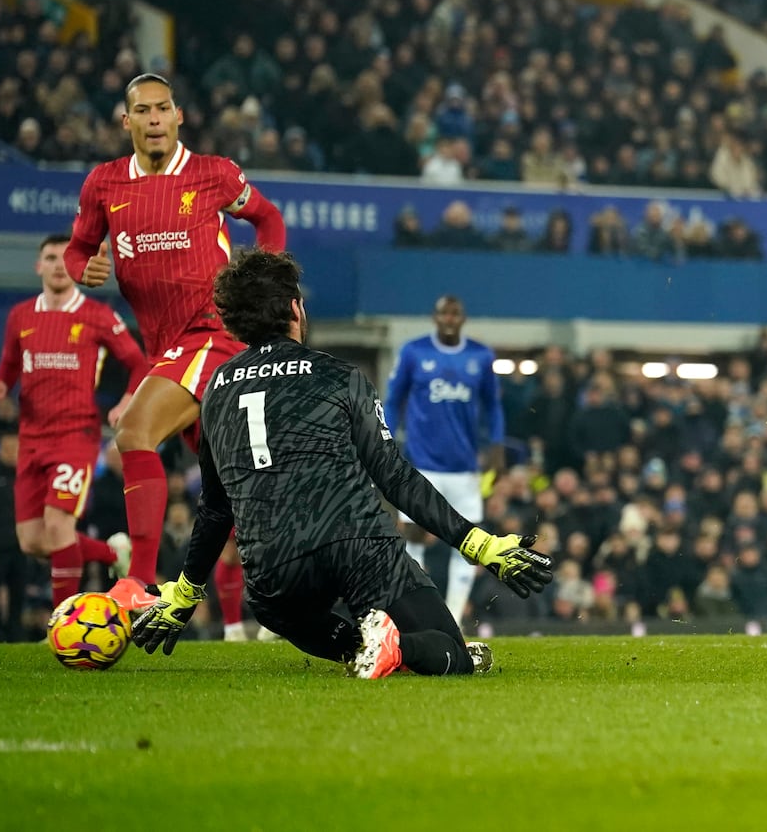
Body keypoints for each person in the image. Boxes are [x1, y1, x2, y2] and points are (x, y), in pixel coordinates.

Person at [131, 249, 552, 677]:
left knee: (357, 647)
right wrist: (481, 544)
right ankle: (404, 649)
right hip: (355, 545)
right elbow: (394, 476)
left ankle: (380, 650)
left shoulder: (217, 389)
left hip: (274, 579)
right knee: (453, 654)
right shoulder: (338, 376)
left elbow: (216, 506)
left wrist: (185, 592)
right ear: (295, 308)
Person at [64, 73, 286, 614]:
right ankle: (302, 579)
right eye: (143, 110)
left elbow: (268, 218)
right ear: (128, 121)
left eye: (164, 108)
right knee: (233, 485)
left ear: (179, 116)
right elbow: (76, 251)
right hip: (165, 346)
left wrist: (265, 288)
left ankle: (137, 580)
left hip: (214, 334)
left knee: (134, 430)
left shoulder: (213, 173)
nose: (155, 118)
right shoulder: (104, 184)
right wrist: (83, 270)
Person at [0, 235, 149, 606]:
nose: (59, 264)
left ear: (76, 265)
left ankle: (61, 622)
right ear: (38, 265)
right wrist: (1, 385)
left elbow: (139, 363)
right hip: (31, 438)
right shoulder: (20, 316)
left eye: (66, 257)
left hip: (75, 435)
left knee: (59, 526)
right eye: (50, 257)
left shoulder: (98, 315)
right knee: (33, 540)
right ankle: (112, 554)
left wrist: (127, 400)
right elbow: (11, 363)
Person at [384, 295, 504, 629]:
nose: (450, 319)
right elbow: (394, 401)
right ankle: (419, 614)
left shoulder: (479, 356)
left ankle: (453, 617)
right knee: (414, 536)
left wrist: (496, 442)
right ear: (434, 318)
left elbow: (493, 405)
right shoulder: (413, 352)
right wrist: (387, 438)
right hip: (422, 464)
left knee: (470, 544)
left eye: (455, 313)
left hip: (465, 467)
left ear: (462, 319)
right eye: (444, 313)